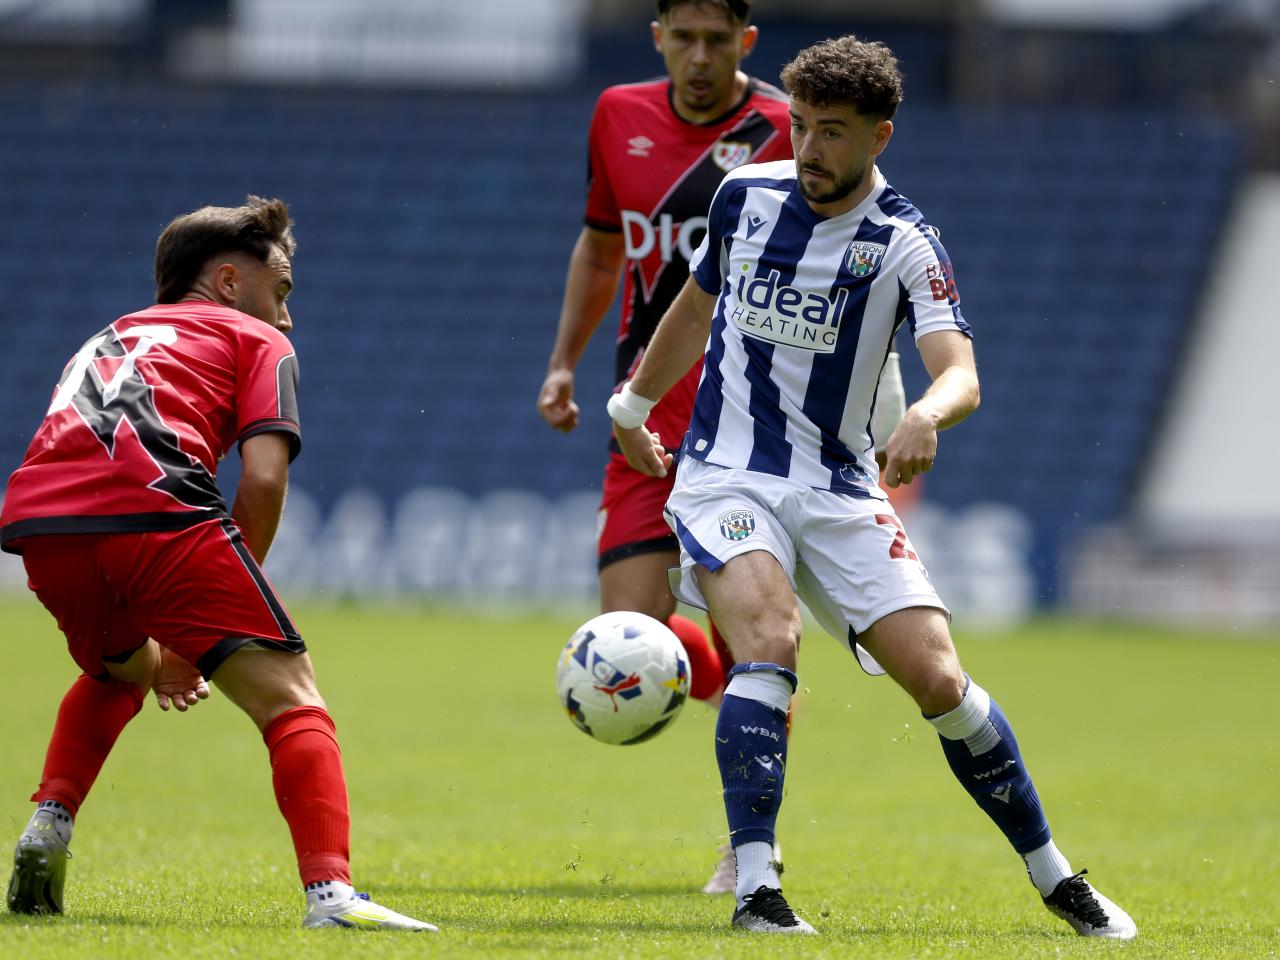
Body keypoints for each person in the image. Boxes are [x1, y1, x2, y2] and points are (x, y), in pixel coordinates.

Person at [608, 36, 1138, 939]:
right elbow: (694, 309)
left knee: (940, 681)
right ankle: (758, 890)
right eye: (803, 128)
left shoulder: (905, 243)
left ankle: (1056, 877)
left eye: (834, 134)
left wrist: (929, 413)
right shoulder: (744, 197)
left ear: (880, 137)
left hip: (842, 488)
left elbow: (959, 370)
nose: (810, 150)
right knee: (770, 636)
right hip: (726, 474)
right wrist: (632, 405)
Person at [2, 196, 434, 932]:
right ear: (231, 281)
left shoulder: (107, 334)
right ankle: (331, 897)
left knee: (121, 669)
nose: (288, 316)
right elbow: (263, 479)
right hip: (157, 515)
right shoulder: (253, 339)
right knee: (291, 697)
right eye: (284, 290)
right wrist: (217, 621)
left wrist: (173, 647)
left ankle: (50, 819)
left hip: (42, 523)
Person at [535, 0, 795, 895]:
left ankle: (749, 845)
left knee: (748, 631)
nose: (697, 56)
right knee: (634, 631)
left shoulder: (786, 128)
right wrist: (565, 363)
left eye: (716, 41)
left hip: (747, 427)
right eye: (681, 38)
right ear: (657, 39)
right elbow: (604, 249)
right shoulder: (617, 114)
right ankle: (770, 674)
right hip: (639, 420)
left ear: (746, 44)